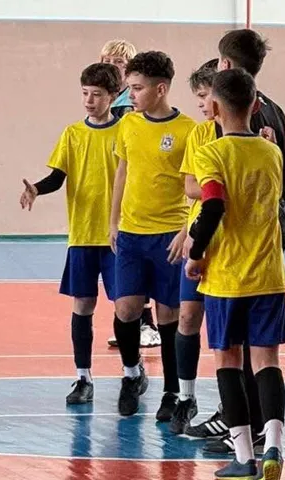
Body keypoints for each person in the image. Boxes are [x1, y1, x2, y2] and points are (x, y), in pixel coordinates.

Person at [185, 68, 285, 480]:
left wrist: (195, 252)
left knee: (228, 361)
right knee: (267, 362)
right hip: (269, 274)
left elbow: (213, 204)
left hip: (227, 276)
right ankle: (274, 446)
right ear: (256, 106)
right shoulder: (271, 152)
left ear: (213, 107)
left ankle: (244, 456)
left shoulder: (212, 153)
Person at [20, 62, 123, 403]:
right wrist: (36, 189)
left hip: (118, 235)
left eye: (97, 95)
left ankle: (131, 371)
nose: (89, 101)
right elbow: (57, 177)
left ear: (113, 96)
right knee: (83, 304)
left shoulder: (125, 132)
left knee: (126, 308)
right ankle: (83, 377)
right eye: (85, 94)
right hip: (83, 234)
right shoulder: (73, 134)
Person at [109, 51, 196, 417]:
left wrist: (185, 231)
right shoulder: (128, 124)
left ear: (161, 89)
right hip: (131, 233)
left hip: (169, 236)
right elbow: (122, 172)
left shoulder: (188, 130)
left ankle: (172, 392)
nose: (130, 95)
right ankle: (132, 374)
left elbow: (196, 187)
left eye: (137, 88)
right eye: (129, 88)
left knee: (168, 315)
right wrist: (113, 221)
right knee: (126, 309)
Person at [99, 39, 161, 349]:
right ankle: (130, 321)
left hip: (139, 193)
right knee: (122, 261)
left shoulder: (131, 106)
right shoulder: (108, 102)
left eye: (118, 62)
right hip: (117, 187)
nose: (112, 66)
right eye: (107, 60)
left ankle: (146, 324)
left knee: (139, 260)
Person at [168, 58, 219, 434]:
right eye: (197, 96)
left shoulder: (251, 134)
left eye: (204, 95)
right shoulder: (200, 134)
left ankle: (230, 406)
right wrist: (188, 229)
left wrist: (215, 189)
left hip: (230, 243)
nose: (200, 103)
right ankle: (186, 397)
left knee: (225, 329)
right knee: (187, 317)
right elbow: (189, 186)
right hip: (199, 234)